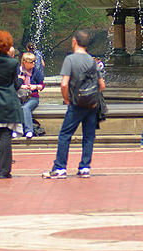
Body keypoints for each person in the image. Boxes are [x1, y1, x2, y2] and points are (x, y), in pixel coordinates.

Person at [42, 30, 105, 179]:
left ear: (75, 42)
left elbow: (64, 84)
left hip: (76, 103)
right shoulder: (92, 60)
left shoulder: (70, 59)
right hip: (91, 104)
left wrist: (67, 99)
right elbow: (102, 85)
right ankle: (84, 168)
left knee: (65, 135)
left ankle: (60, 168)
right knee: (89, 136)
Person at [0, 29, 23, 178]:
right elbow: (15, 84)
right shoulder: (13, 63)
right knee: (5, 136)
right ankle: (4, 171)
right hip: (7, 103)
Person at [17, 51, 45, 138]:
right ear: (24, 62)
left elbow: (42, 85)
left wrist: (35, 86)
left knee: (25, 108)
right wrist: (21, 85)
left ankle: (29, 130)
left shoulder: (36, 71)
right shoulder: (18, 71)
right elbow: (12, 84)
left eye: (34, 61)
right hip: (19, 96)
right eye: (31, 62)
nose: (33, 63)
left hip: (32, 97)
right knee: (16, 106)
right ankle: (16, 130)